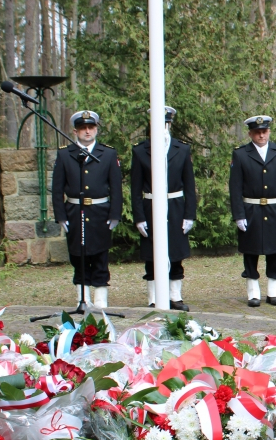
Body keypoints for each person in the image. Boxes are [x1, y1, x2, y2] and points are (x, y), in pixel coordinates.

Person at [51, 110, 123, 309]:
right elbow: (57, 189)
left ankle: (100, 300)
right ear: (75, 131)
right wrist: (60, 216)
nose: (87, 131)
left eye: (91, 127)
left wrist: (115, 213)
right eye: (83, 128)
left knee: (100, 256)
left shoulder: (108, 154)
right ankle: (83, 299)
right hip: (75, 212)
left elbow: (116, 187)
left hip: (100, 212)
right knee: (78, 256)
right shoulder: (65, 154)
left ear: (96, 129)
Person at [131, 106, 197, 310]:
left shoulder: (182, 149)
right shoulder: (141, 150)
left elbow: (189, 185)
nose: (162, 127)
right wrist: (139, 217)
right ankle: (153, 297)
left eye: (166, 124)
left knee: (175, 253)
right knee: (152, 254)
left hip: (175, 206)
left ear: (169, 124)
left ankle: (175, 296)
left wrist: (189, 214)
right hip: (150, 206)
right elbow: (135, 188)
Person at [228, 115, 276, 307]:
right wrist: (239, 215)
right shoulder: (240, 155)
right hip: (251, 209)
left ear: (269, 132)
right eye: (257, 132)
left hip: (274, 209)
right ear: (250, 133)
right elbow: (235, 188)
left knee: (275, 251)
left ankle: (274, 291)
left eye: (264, 131)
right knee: (251, 250)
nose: (261, 135)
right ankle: (253, 292)